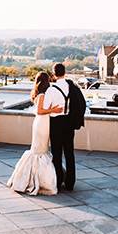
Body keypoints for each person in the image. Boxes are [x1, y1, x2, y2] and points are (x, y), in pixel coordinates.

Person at [7, 72, 63, 195]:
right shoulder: (42, 95)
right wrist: (54, 109)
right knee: (39, 151)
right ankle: (36, 180)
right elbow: (40, 111)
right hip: (42, 123)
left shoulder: (38, 93)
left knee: (40, 149)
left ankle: (31, 177)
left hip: (40, 123)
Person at [45, 63, 77, 191]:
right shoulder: (72, 87)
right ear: (65, 72)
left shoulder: (51, 90)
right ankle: (70, 183)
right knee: (69, 153)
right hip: (69, 122)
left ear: (53, 74)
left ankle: (58, 181)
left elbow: (45, 108)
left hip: (56, 123)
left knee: (57, 153)